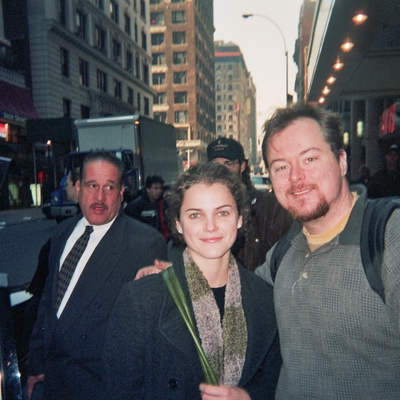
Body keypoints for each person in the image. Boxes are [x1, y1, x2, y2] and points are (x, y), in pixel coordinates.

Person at [255, 102, 400, 399]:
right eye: (281, 166)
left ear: (342, 161)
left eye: (309, 159)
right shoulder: (283, 252)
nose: (296, 178)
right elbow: (236, 300)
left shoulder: (390, 237)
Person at [102, 163, 281, 400]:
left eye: (223, 213)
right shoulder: (141, 300)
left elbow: (275, 382)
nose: (210, 226)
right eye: (195, 215)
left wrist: (248, 397)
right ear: (178, 223)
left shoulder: (265, 298)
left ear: (240, 218)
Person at [26, 151, 167, 400]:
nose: (99, 197)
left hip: (100, 388)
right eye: (92, 185)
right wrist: (37, 364)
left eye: (109, 187)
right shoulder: (61, 234)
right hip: (52, 382)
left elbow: (152, 337)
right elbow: (48, 305)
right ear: (78, 187)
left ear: (122, 192)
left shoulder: (144, 244)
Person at [207, 137, 292, 271]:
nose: (221, 170)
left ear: (242, 166)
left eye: (229, 163)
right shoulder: (202, 209)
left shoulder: (270, 206)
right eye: (215, 165)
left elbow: (287, 256)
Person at [124, 175, 170, 241]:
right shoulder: (135, 205)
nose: (159, 191)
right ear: (148, 189)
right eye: (155, 188)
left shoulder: (164, 204)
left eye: (160, 188)